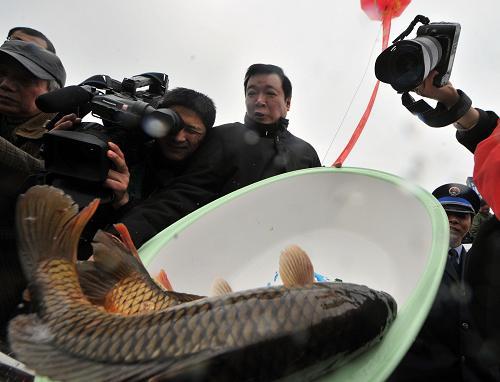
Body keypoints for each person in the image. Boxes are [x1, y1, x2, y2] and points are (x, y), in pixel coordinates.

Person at [116, 63, 321, 248]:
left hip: (282, 260)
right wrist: (118, 239)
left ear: (288, 102)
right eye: (251, 93)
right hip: (219, 256)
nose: (259, 101)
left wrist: (337, 182)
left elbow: (319, 210)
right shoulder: (226, 136)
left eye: (270, 93)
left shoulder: (306, 154)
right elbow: (181, 197)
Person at [389, 70, 500, 381]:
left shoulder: (482, 260)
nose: (454, 219)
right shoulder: (408, 259)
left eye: (462, 215)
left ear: (471, 221)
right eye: (446, 212)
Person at [0, 39, 65, 352]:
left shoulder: (69, 138)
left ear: (52, 92)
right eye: (2, 74)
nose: (5, 84)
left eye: (24, 79)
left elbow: (50, 185)